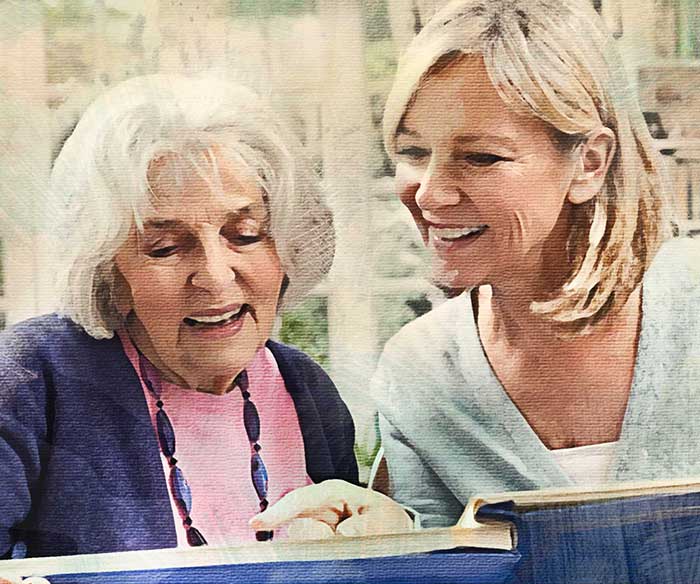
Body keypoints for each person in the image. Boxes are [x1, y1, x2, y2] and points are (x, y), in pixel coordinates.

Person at [251, 0, 700, 535]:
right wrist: (399, 539)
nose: (431, 193)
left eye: (480, 157)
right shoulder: (422, 372)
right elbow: (449, 559)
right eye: (413, 151)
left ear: (589, 163)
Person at [0, 74, 357, 560]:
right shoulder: (30, 380)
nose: (214, 276)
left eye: (245, 234)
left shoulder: (306, 390)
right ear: (109, 271)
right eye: (165, 248)